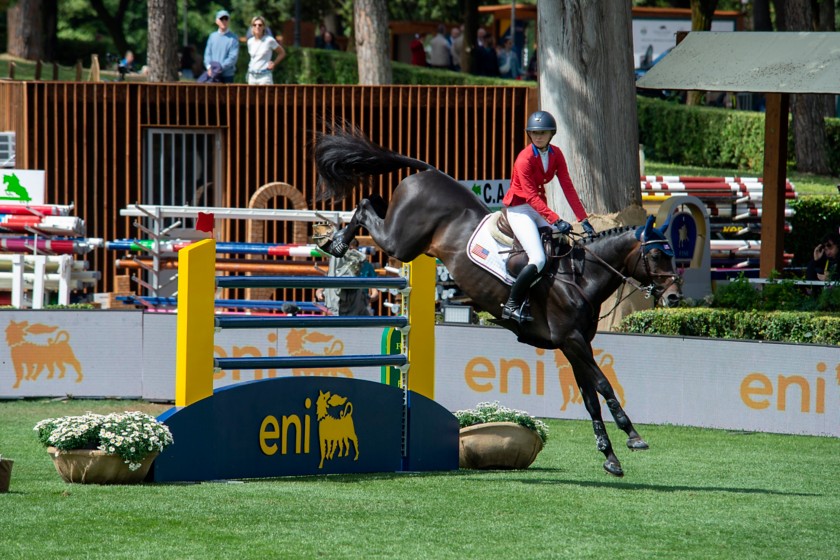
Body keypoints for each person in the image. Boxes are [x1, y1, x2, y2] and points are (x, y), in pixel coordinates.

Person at [500, 110, 595, 323]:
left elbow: (567, 186)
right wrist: (555, 219)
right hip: (519, 209)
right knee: (539, 258)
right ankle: (511, 305)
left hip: (537, 207)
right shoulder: (523, 159)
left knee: (563, 242)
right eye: (534, 133)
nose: (538, 136)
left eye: (543, 132)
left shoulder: (556, 154)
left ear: (551, 134)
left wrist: (583, 219)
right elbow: (531, 196)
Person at [315, 239, 377, 315]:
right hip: (340, 305)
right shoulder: (337, 265)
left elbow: (375, 290)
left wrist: (368, 298)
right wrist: (320, 294)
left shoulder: (366, 266)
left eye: (352, 249)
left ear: (357, 249)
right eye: (347, 250)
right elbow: (322, 287)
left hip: (359, 306)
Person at [246, 16, 285, 85]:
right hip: (252, 76)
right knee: (251, 96)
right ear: (252, 27)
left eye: (260, 25)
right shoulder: (250, 41)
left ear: (263, 27)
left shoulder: (269, 40)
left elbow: (282, 53)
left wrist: (274, 63)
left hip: (264, 76)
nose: (257, 27)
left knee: (266, 96)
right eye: (255, 25)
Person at [203, 9, 239, 84]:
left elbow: (233, 57)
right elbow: (207, 54)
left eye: (226, 19)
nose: (224, 21)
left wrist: (220, 68)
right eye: (221, 19)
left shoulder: (234, 38)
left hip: (227, 76)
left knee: (228, 96)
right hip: (212, 75)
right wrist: (209, 67)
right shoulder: (212, 36)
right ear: (217, 21)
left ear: (229, 21)